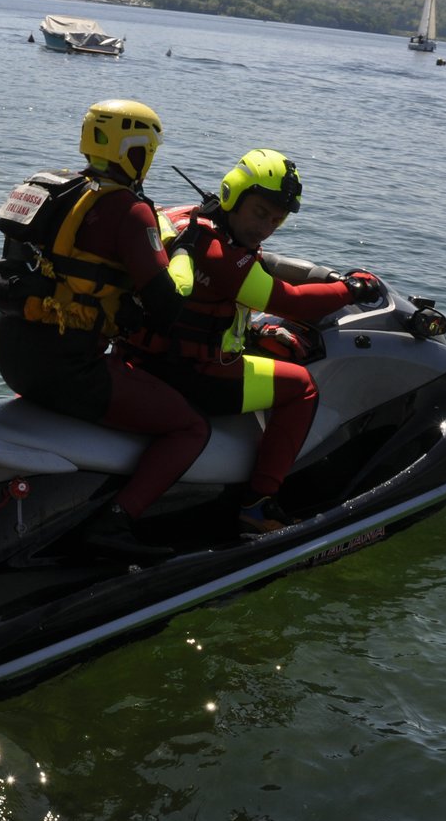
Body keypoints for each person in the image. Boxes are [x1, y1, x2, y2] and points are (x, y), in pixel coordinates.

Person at [0, 98, 209, 551]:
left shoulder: (52, 187)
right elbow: (167, 306)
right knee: (191, 428)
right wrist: (187, 250)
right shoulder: (131, 210)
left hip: (12, 354)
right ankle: (115, 521)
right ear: (137, 150)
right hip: (66, 370)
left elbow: (27, 266)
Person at [134, 149, 383, 533]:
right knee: (301, 389)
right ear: (232, 194)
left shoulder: (182, 218)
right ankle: (257, 504)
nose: (266, 227)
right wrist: (350, 289)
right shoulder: (219, 251)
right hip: (191, 375)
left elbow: (203, 304)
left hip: (145, 357)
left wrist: (252, 330)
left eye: (277, 219)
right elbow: (290, 301)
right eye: (260, 212)